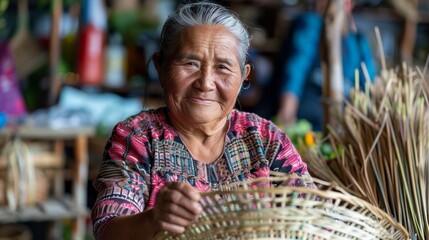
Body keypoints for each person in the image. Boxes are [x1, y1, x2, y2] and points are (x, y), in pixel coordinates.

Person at [91, 2, 316, 239]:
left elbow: (314, 217)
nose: (205, 83)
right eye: (191, 64)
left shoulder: (265, 139)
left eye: (222, 67)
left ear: (243, 77)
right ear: (161, 68)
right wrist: (155, 217)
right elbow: (108, 228)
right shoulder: (138, 137)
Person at [266, 0, 377, 131]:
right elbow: (296, 67)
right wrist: (287, 108)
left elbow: (370, 87)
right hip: (304, 121)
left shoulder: (359, 42)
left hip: (340, 127)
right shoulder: (311, 25)